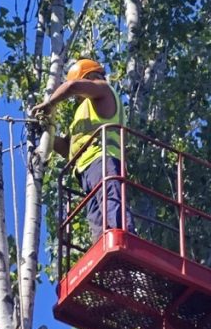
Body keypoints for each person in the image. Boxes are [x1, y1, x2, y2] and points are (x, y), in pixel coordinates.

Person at [31, 58, 134, 239]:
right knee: (96, 218)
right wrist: (47, 133)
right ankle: (104, 249)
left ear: (91, 77)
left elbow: (72, 87)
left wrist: (48, 104)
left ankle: (124, 239)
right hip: (85, 170)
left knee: (111, 201)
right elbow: (68, 149)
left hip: (103, 159)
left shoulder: (102, 89)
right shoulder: (83, 112)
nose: (79, 98)